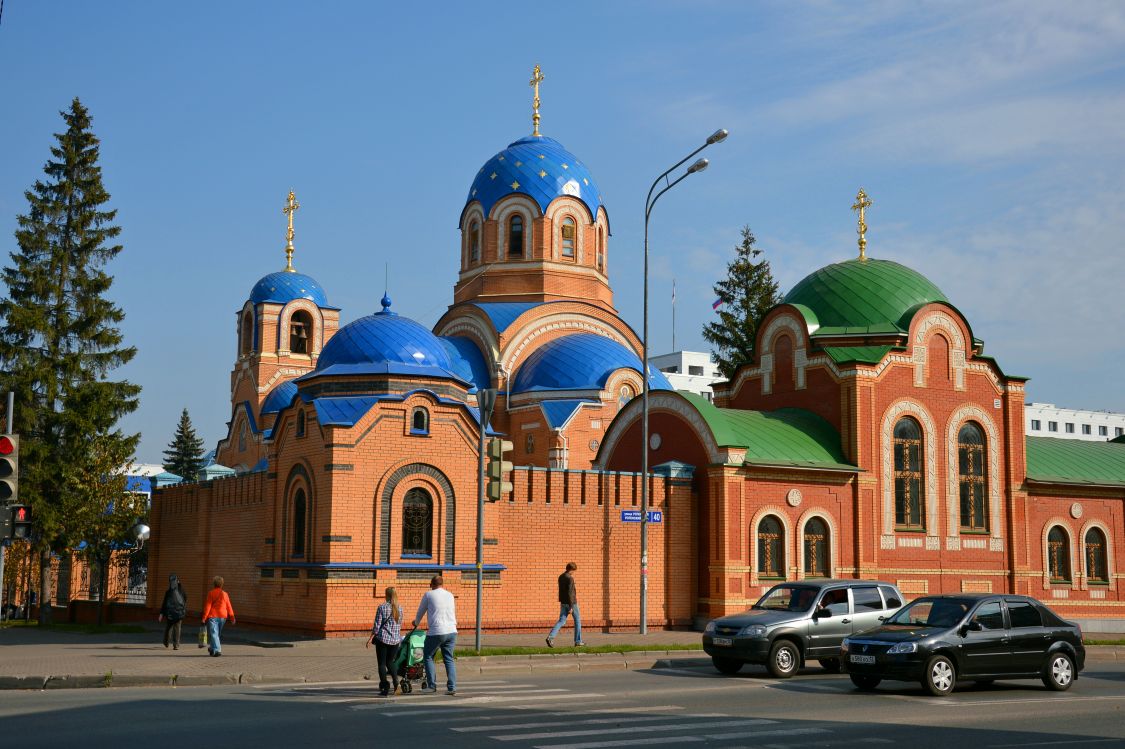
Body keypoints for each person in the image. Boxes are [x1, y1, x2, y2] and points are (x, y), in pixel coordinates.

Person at [412, 575, 457, 696]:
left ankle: (431, 686)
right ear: (442, 584)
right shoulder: (450, 595)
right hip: (452, 630)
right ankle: (452, 687)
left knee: (427, 655)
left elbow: (421, 611)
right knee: (448, 658)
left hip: (437, 631)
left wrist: (416, 623)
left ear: (431, 584)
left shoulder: (429, 595)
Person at [366, 586, 404, 697]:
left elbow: (377, 626)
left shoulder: (382, 607)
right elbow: (399, 625)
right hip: (395, 640)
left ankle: (385, 687)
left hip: (383, 639)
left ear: (386, 595)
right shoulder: (400, 608)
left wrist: (370, 638)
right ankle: (396, 683)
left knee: (382, 664)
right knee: (390, 662)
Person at [546, 562, 584, 647]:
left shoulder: (561, 576)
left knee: (561, 621)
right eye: (574, 571)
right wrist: (571, 606)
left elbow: (562, 591)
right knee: (577, 621)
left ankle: (550, 637)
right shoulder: (570, 578)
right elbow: (570, 593)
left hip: (563, 602)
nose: (574, 572)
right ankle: (578, 641)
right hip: (572, 603)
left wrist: (563, 602)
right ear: (571, 569)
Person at [201, 576, 235, 657]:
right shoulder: (225, 594)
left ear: (214, 584)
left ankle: (217, 650)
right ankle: (212, 648)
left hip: (213, 616)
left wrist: (204, 617)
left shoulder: (211, 593)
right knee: (216, 634)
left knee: (214, 633)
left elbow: (208, 606)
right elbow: (229, 606)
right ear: (222, 584)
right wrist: (232, 617)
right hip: (223, 617)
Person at [158, 574, 188, 650]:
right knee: (177, 628)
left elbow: (164, 603)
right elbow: (185, 598)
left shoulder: (168, 592)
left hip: (170, 614)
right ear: (177, 581)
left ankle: (166, 642)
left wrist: (161, 614)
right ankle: (176, 645)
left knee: (169, 627)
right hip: (179, 613)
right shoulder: (181, 591)